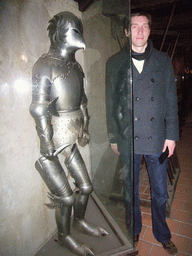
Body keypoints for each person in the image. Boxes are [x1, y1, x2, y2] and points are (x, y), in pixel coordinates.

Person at [30, 11, 107, 256]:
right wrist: (45, 142)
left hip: (72, 136)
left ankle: (80, 222)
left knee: (85, 187)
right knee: (66, 199)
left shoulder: (76, 66)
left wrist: (84, 128)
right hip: (54, 139)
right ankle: (63, 237)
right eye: (74, 31)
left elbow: (82, 100)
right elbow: (39, 108)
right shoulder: (44, 65)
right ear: (61, 34)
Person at [106, 12, 179, 255]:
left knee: (159, 192)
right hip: (128, 139)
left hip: (158, 139)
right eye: (134, 27)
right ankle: (134, 229)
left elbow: (171, 101)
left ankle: (162, 233)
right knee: (130, 191)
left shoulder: (163, 61)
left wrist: (171, 136)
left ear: (149, 31)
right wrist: (114, 137)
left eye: (144, 26)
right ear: (127, 32)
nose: (139, 31)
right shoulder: (115, 62)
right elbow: (111, 103)